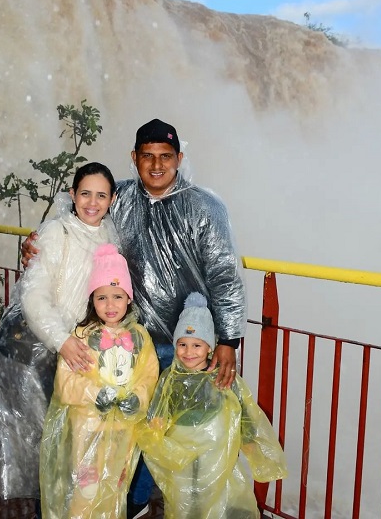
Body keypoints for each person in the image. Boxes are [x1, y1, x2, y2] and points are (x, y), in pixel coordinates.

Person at [22, 119, 247, 517]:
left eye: (166, 157)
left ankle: (140, 503)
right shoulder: (119, 199)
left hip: (184, 346)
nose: (157, 165)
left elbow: (224, 275)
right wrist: (41, 242)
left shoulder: (205, 208)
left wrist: (228, 340)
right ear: (134, 159)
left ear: (179, 159)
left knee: (167, 432)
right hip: (125, 339)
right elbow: (80, 218)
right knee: (106, 427)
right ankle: (92, 501)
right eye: (148, 156)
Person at [0, 162, 119, 504]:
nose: (92, 202)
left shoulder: (111, 236)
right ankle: (48, 509)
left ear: (113, 199)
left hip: (83, 354)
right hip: (47, 353)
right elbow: (34, 296)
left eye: (101, 195)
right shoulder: (54, 233)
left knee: (78, 444)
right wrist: (62, 340)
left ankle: (72, 506)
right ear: (72, 195)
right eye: (85, 193)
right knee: (52, 445)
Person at [137, 292, 287, 519]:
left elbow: (244, 410)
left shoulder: (222, 375)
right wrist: (155, 429)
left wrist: (251, 441)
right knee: (182, 494)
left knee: (215, 492)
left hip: (213, 449)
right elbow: (159, 405)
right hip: (181, 447)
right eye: (182, 344)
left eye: (197, 345)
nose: (188, 352)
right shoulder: (171, 375)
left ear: (210, 347)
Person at [40, 243, 159, 518]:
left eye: (117, 296)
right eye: (102, 297)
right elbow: (64, 383)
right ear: (92, 299)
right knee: (86, 489)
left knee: (115, 487)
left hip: (123, 433)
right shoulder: (81, 336)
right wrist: (95, 393)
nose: (110, 305)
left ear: (129, 298)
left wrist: (138, 398)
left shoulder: (140, 337)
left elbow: (149, 376)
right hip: (87, 430)